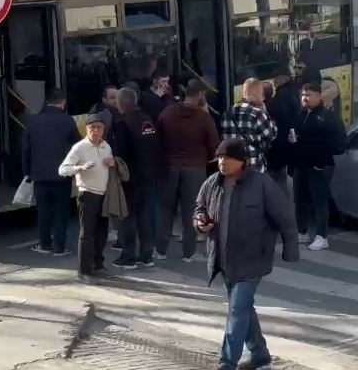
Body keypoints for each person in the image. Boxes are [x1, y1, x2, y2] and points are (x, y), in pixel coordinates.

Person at [194, 138, 299, 370]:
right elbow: (198, 208)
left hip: (253, 259)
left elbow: (285, 218)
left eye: (226, 158)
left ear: (242, 161)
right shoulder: (212, 183)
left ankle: (228, 362)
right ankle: (260, 355)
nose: (221, 162)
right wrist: (200, 222)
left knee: (237, 308)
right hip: (224, 259)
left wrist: (290, 250)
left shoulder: (262, 184)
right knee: (243, 309)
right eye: (219, 158)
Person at [156, 79, 219, 262]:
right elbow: (214, 145)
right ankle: (188, 253)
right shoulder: (203, 118)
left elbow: (157, 139)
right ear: (200, 95)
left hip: (170, 167)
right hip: (194, 168)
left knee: (165, 209)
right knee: (191, 210)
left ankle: (160, 250)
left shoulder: (167, 113)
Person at [22, 88, 81, 256]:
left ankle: (45, 244)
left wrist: (27, 172)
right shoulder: (68, 121)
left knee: (43, 211)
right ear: (63, 102)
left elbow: (26, 149)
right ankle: (59, 247)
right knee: (61, 212)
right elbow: (78, 146)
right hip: (62, 175)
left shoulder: (33, 121)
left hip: (39, 174)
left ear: (47, 101)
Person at [59, 113, 115, 282]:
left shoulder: (106, 146)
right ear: (87, 129)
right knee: (87, 234)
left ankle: (98, 264)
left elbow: (111, 166)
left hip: (103, 194)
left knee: (102, 232)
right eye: (92, 128)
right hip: (87, 193)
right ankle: (84, 271)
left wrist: (113, 163)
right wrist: (81, 167)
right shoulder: (79, 147)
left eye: (99, 128)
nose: (96, 131)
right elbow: (62, 169)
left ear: (104, 130)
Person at [293, 82, 346, 252]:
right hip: (301, 165)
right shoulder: (301, 115)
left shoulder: (327, 117)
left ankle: (322, 236)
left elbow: (339, 144)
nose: (304, 98)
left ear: (318, 96)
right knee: (300, 199)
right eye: (302, 95)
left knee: (319, 201)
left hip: (319, 166)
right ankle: (302, 231)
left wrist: (321, 161)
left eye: (308, 95)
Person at [112, 87, 159, 270]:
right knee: (145, 215)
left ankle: (128, 256)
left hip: (130, 178)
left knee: (127, 216)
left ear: (122, 103)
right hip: (148, 175)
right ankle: (147, 255)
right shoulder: (147, 120)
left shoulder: (123, 124)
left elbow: (120, 154)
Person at [221, 78, 277, 171]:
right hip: (253, 166)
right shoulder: (257, 113)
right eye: (262, 94)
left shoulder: (227, 114)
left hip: (232, 166)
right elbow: (272, 134)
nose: (263, 98)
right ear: (255, 93)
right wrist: (265, 111)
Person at [265, 67, 301, 190]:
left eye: (276, 78)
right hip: (289, 139)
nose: (274, 81)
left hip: (281, 141)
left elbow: (279, 114)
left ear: (284, 78)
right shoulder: (293, 90)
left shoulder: (282, 95)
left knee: (277, 176)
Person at [89, 85, 120, 152]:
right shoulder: (104, 114)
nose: (116, 100)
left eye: (118, 97)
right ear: (104, 100)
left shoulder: (115, 111)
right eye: (112, 98)